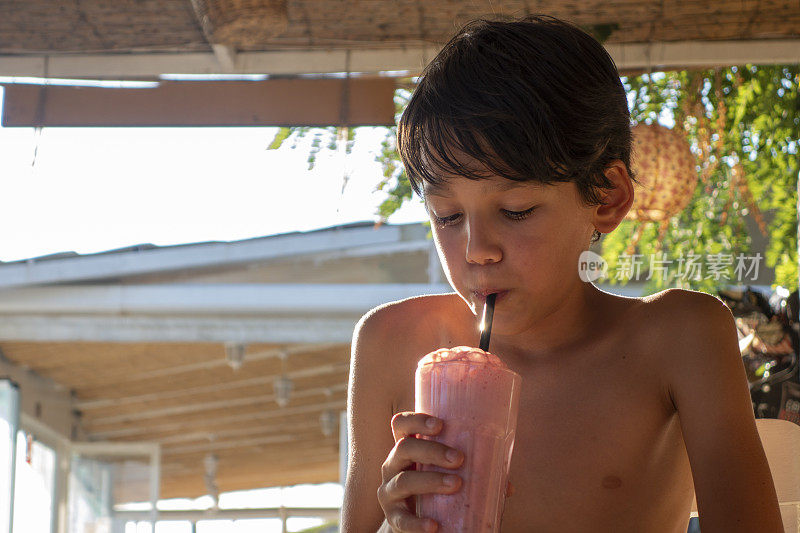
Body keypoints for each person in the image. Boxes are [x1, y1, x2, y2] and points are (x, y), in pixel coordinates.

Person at [341, 15, 782, 533]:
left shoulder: (679, 339)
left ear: (606, 197)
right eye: (448, 215)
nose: (477, 250)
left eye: (517, 210)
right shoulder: (392, 344)